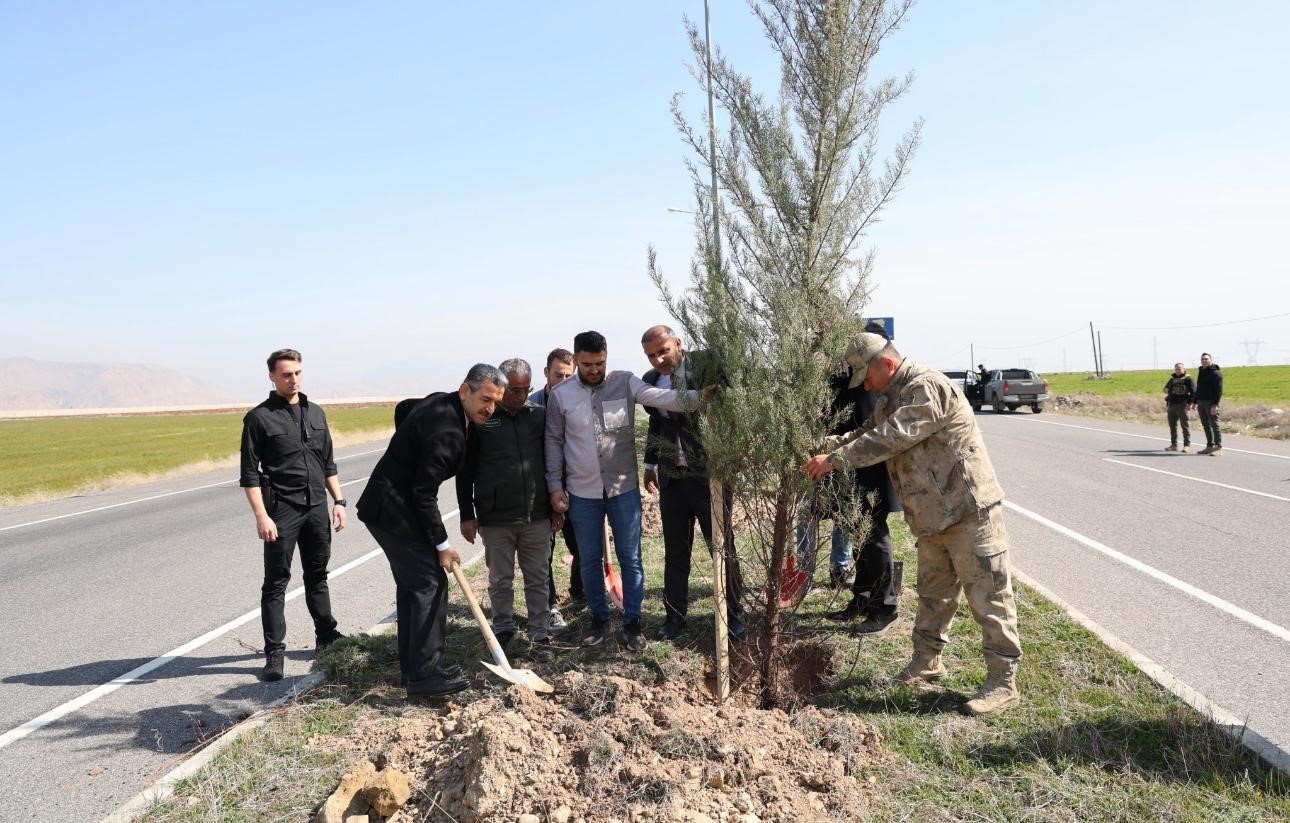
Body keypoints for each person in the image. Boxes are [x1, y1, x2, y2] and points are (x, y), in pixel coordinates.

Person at [802, 333, 1023, 716]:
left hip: (968, 511)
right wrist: (822, 447)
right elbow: (865, 433)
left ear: (885, 365)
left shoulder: (927, 388)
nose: (865, 388)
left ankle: (1003, 681)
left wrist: (835, 461)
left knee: (989, 597)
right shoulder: (889, 397)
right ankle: (927, 661)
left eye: (866, 379)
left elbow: (890, 438)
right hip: (931, 517)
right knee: (933, 594)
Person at [544, 330, 702, 651]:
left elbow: (660, 398)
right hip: (582, 493)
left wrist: (700, 397)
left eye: (599, 363)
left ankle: (633, 623)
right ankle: (599, 619)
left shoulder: (625, 382)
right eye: (587, 365)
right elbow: (553, 444)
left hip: (622, 489)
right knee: (588, 559)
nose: (594, 370)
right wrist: (555, 487)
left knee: (631, 558)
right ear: (576, 362)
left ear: (606, 358)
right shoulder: (561, 396)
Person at [357, 364, 505, 698]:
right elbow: (424, 494)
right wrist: (442, 544)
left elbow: (405, 408)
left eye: (495, 402)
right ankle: (426, 675)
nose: (490, 409)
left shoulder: (443, 402)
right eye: (485, 399)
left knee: (414, 585)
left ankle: (414, 669)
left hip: (393, 503)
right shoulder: (448, 435)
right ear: (464, 391)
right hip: (393, 509)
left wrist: (408, 444)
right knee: (428, 583)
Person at [239, 348, 347, 682]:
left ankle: (326, 636)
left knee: (318, 575)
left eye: (297, 372)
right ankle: (274, 655)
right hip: (281, 510)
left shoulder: (316, 413)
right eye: (286, 374)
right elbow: (249, 474)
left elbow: (327, 463)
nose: (293, 379)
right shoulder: (258, 419)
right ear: (272, 376)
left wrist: (339, 502)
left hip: (316, 506)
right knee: (276, 583)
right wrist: (262, 516)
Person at [640, 325, 746, 642]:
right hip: (673, 480)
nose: (659, 359)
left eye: (663, 350)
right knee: (675, 552)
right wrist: (649, 464)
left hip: (709, 477)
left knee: (723, 548)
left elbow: (735, 407)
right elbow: (657, 424)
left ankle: (735, 616)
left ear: (678, 343)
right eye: (651, 355)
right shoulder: (650, 383)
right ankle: (674, 617)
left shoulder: (708, 365)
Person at [456, 358, 558, 662]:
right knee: (500, 579)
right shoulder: (484, 417)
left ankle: (540, 632)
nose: (520, 396)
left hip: (535, 514)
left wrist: (555, 503)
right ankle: (503, 629)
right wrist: (466, 513)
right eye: (514, 390)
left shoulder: (538, 416)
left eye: (526, 390)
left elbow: (552, 461)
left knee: (538, 577)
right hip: (495, 516)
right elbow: (466, 469)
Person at [823, 322, 902, 634]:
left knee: (874, 534)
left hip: (867, 462)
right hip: (843, 462)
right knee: (859, 536)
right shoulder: (838, 364)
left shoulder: (862, 359)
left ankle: (885, 607)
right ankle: (862, 599)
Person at [530, 348, 581, 615]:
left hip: (574, 488)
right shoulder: (531, 407)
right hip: (540, 492)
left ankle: (580, 592)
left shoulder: (579, 403)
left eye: (568, 376)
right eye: (558, 374)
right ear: (546, 373)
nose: (563, 380)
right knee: (543, 553)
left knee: (582, 545)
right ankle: (549, 605)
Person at [1162, 362, 1195, 453]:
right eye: (1176, 369)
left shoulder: (1189, 379)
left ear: (1183, 369)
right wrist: (1168, 390)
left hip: (1183, 405)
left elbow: (1193, 392)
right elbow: (1165, 389)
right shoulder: (1172, 380)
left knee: (1185, 426)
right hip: (1172, 405)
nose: (1178, 370)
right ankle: (1174, 445)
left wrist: (1191, 403)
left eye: (1179, 369)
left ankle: (1187, 445)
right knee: (1173, 426)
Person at [1196, 352, 1224, 455]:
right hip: (1201, 402)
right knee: (1205, 425)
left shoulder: (1216, 373)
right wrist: (1195, 401)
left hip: (1211, 403)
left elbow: (1219, 390)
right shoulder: (1201, 371)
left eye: (1206, 359)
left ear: (1211, 360)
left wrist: (1215, 405)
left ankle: (1218, 447)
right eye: (1202, 359)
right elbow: (1199, 387)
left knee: (1214, 424)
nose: (1204, 361)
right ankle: (1209, 446)